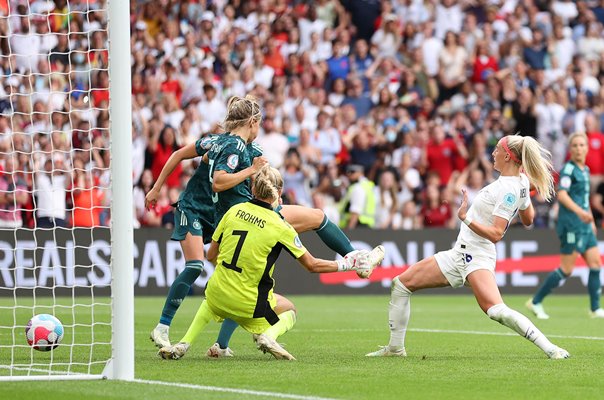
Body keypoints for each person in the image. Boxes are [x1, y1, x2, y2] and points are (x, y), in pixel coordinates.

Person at [147, 95, 382, 356]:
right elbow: (219, 181)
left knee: (240, 279)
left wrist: (157, 188)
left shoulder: (222, 142)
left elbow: (191, 159)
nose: (259, 131)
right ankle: (355, 258)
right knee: (315, 218)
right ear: (252, 121)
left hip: (234, 219)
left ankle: (219, 345)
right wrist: (255, 174)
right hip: (252, 214)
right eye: (259, 124)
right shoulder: (235, 146)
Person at [366, 135, 570, 359]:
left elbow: (496, 234)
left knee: (496, 311)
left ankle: (551, 349)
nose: (493, 153)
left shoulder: (508, 189)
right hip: (459, 254)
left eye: (497, 150)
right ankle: (395, 349)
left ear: (508, 156)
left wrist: (465, 218)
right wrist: (524, 194)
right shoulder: (518, 183)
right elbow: (529, 219)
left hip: (477, 256)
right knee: (401, 284)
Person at [158, 167, 382, 360]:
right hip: (249, 302)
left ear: (253, 189)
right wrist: (347, 264)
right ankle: (268, 336)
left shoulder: (234, 210)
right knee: (288, 308)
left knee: (216, 296)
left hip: (218, 291)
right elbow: (312, 265)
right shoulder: (280, 225)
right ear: (279, 193)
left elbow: (210, 256)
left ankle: (190, 343)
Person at [527, 132, 604, 319]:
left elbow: (584, 198)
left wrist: (591, 221)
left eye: (582, 145)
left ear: (587, 147)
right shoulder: (569, 169)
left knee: (595, 264)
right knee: (567, 269)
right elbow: (562, 195)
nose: (579, 148)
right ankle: (535, 302)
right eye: (575, 145)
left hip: (584, 226)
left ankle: (594, 308)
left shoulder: (584, 170)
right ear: (571, 149)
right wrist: (581, 213)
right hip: (571, 225)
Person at [339, 164, 376, 229]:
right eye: (348, 172)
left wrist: (349, 231)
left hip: (358, 226)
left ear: (361, 173)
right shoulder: (367, 186)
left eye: (353, 172)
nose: (349, 175)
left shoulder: (358, 188)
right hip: (367, 227)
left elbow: (355, 212)